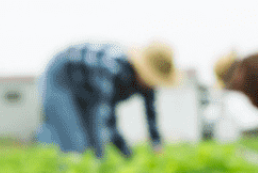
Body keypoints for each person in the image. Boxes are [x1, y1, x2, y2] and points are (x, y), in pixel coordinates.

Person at [36, 42, 178, 158]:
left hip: (89, 89)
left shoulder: (146, 84)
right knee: (76, 143)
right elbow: (106, 119)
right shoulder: (111, 68)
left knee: (96, 149)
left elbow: (151, 114)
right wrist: (127, 154)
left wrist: (157, 144)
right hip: (61, 78)